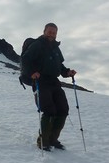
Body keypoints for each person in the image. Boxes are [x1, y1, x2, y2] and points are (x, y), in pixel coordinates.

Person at [21, 23, 76, 151]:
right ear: (44, 31)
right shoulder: (37, 45)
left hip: (54, 81)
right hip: (41, 81)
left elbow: (60, 67)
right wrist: (31, 72)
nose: (52, 34)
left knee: (63, 109)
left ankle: (53, 139)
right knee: (49, 110)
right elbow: (25, 59)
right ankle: (43, 142)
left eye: (54, 32)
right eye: (50, 32)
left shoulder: (56, 48)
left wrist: (67, 72)